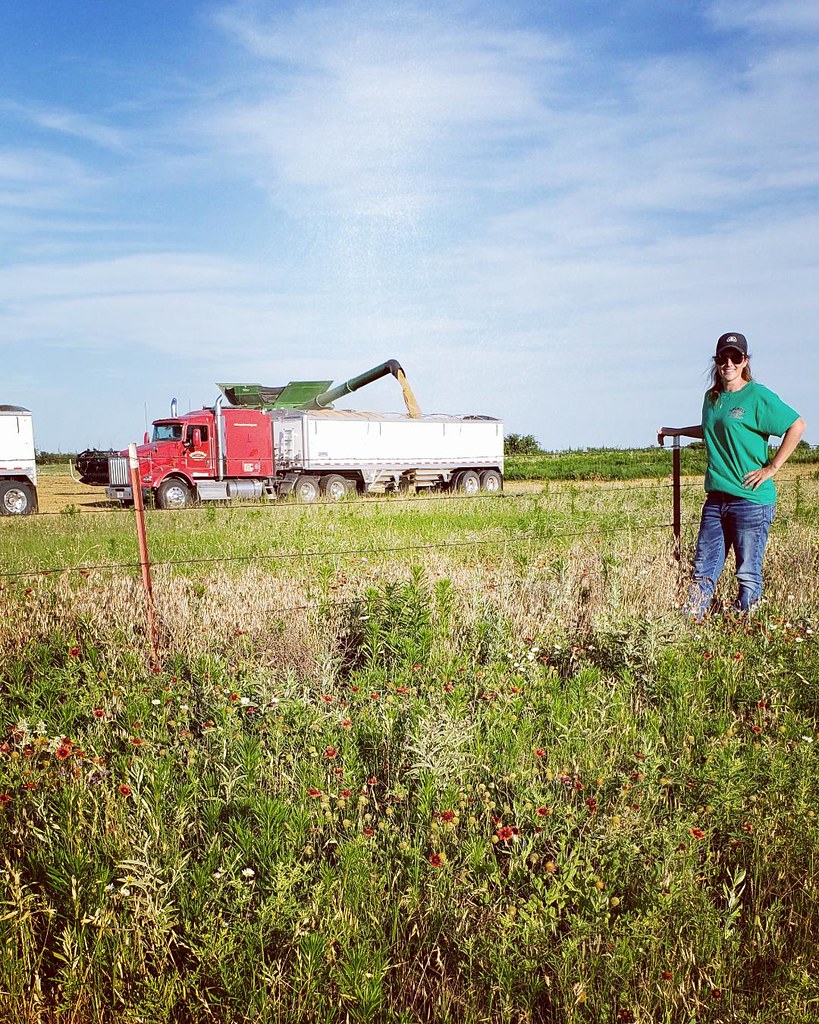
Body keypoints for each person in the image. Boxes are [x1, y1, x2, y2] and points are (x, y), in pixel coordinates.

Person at [658, 332, 805, 620]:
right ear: (716, 362)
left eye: (735, 357)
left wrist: (772, 468)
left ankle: (745, 628)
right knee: (703, 569)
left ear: (744, 361)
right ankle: (689, 626)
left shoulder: (757, 396)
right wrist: (676, 432)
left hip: (751, 500)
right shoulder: (712, 398)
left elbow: (796, 425)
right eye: (722, 358)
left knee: (747, 572)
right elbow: (712, 429)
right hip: (716, 498)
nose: (728, 363)